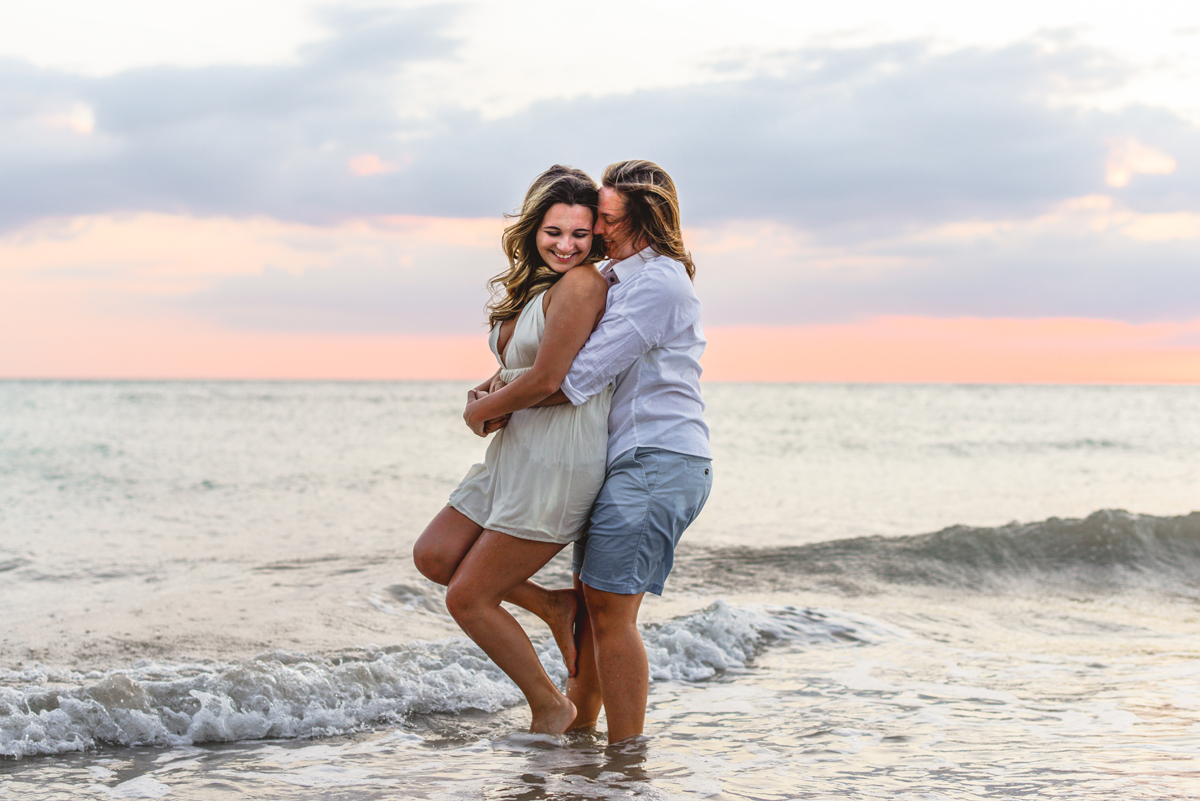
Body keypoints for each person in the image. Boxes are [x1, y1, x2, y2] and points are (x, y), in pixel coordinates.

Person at [459, 159, 713, 744]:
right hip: (625, 456)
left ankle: (626, 759)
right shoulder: (622, 278)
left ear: (642, 219)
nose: (595, 232)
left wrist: (489, 407)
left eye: (605, 220)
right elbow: (559, 362)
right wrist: (499, 387)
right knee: (593, 610)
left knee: (610, 614)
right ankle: (583, 739)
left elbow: (576, 378)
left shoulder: (657, 282)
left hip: (658, 456)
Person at [411, 165, 612, 734]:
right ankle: (552, 606)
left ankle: (549, 706)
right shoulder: (539, 286)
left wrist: (480, 410)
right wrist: (490, 388)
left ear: (596, 235)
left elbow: (551, 377)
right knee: (435, 556)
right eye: (554, 232)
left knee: (469, 599)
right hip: (516, 451)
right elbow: (522, 366)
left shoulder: (583, 285)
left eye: (580, 234)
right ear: (533, 230)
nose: (567, 245)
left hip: (558, 459)